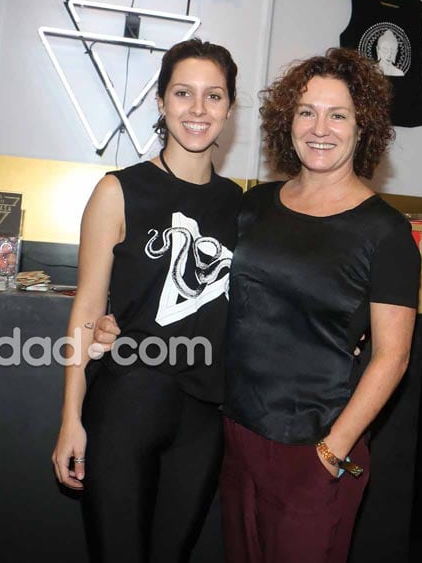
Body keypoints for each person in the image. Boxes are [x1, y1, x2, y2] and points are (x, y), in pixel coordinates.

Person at [219, 47, 421, 563]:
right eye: (307, 111)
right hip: (240, 436)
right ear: (287, 122)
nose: (320, 127)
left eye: (338, 114)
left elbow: (392, 357)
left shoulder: (386, 232)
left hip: (316, 446)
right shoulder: (255, 205)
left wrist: (333, 450)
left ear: (363, 126)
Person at [51, 38, 243, 562]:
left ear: (229, 108)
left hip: (204, 416)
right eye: (183, 93)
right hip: (127, 404)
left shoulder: (240, 205)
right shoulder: (118, 191)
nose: (198, 110)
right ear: (161, 102)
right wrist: (71, 418)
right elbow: (87, 311)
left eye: (214, 96)